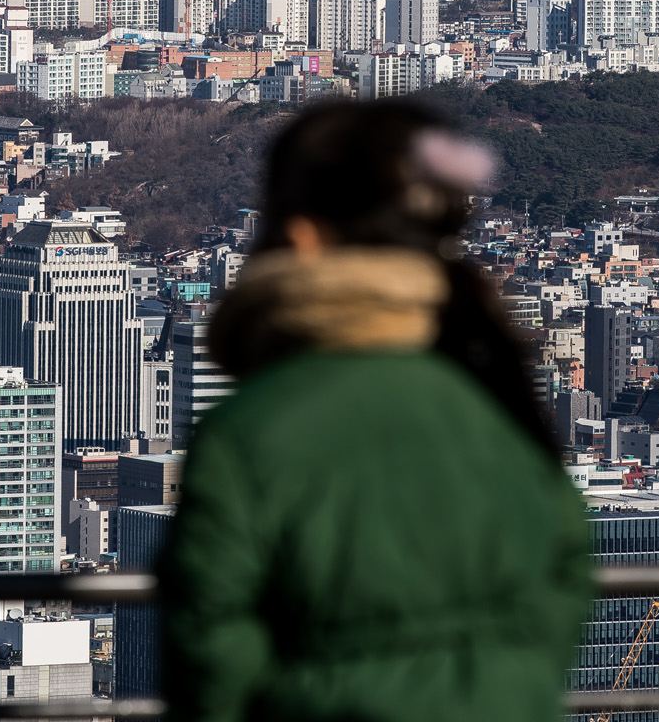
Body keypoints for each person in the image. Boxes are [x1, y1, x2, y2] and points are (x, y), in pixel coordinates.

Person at [160, 100, 594, 722]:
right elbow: (564, 576)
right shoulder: (498, 397)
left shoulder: (250, 429)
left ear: (302, 237)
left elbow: (212, 641)